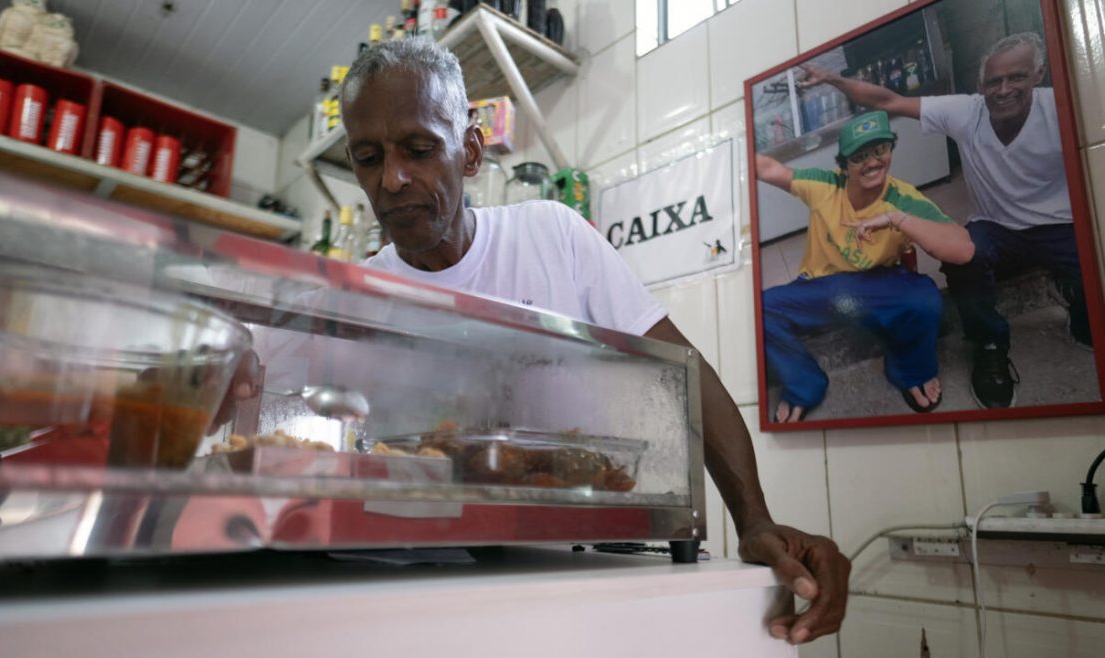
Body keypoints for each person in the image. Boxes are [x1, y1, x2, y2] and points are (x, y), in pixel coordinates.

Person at [335, 37, 849, 644]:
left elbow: (679, 374)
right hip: (411, 599)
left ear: (470, 152)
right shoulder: (352, 296)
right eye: (368, 158)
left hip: (569, 581)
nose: (392, 179)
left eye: (419, 149)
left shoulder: (550, 235)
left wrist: (754, 519)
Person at [800, 32, 1091, 410]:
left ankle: (1083, 312)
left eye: (1017, 77)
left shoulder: (1065, 107)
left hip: (1060, 225)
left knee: (1092, 253)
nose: (1004, 90)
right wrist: (833, 79)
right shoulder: (966, 111)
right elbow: (888, 101)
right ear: (979, 85)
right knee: (960, 255)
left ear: (1038, 75)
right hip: (996, 226)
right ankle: (989, 345)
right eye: (993, 81)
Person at [755, 111, 974, 422]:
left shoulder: (903, 199)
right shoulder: (824, 185)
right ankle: (805, 385)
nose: (872, 162)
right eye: (859, 156)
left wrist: (897, 218)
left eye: (880, 150)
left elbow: (963, 248)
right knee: (760, 308)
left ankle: (911, 371)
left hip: (875, 287)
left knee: (924, 297)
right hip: (819, 288)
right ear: (843, 166)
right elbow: (765, 166)